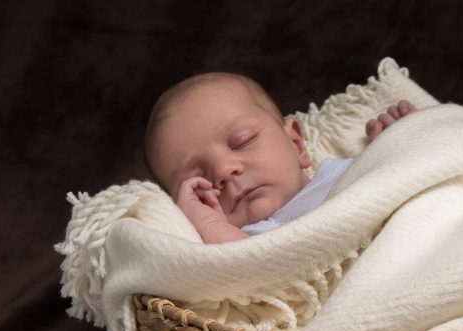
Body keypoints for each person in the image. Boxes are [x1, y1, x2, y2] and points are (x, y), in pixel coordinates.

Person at [145, 72, 415, 243]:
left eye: (243, 141)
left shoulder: (349, 172)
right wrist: (208, 224)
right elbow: (237, 271)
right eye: (198, 179)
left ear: (296, 143)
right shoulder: (244, 240)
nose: (223, 170)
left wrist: (403, 138)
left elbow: (419, 175)